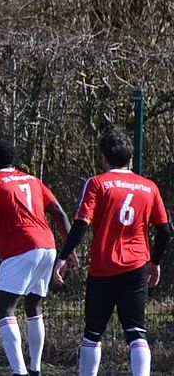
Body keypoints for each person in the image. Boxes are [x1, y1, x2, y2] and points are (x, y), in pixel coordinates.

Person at [53, 127, 171, 376]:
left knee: (93, 333)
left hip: (103, 267)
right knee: (137, 332)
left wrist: (63, 256)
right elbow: (164, 231)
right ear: (130, 158)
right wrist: (155, 262)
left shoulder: (97, 183)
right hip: (136, 266)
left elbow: (81, 223)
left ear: (103, 157)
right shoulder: (149, 187)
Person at [0, 140, 73, 376]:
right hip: (48, 246)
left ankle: (20, 372)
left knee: (5, 308)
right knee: (33, 305)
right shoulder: (32, 180)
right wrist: (70, 251)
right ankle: (35, 369)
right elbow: (59, 212)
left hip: (21, 248)